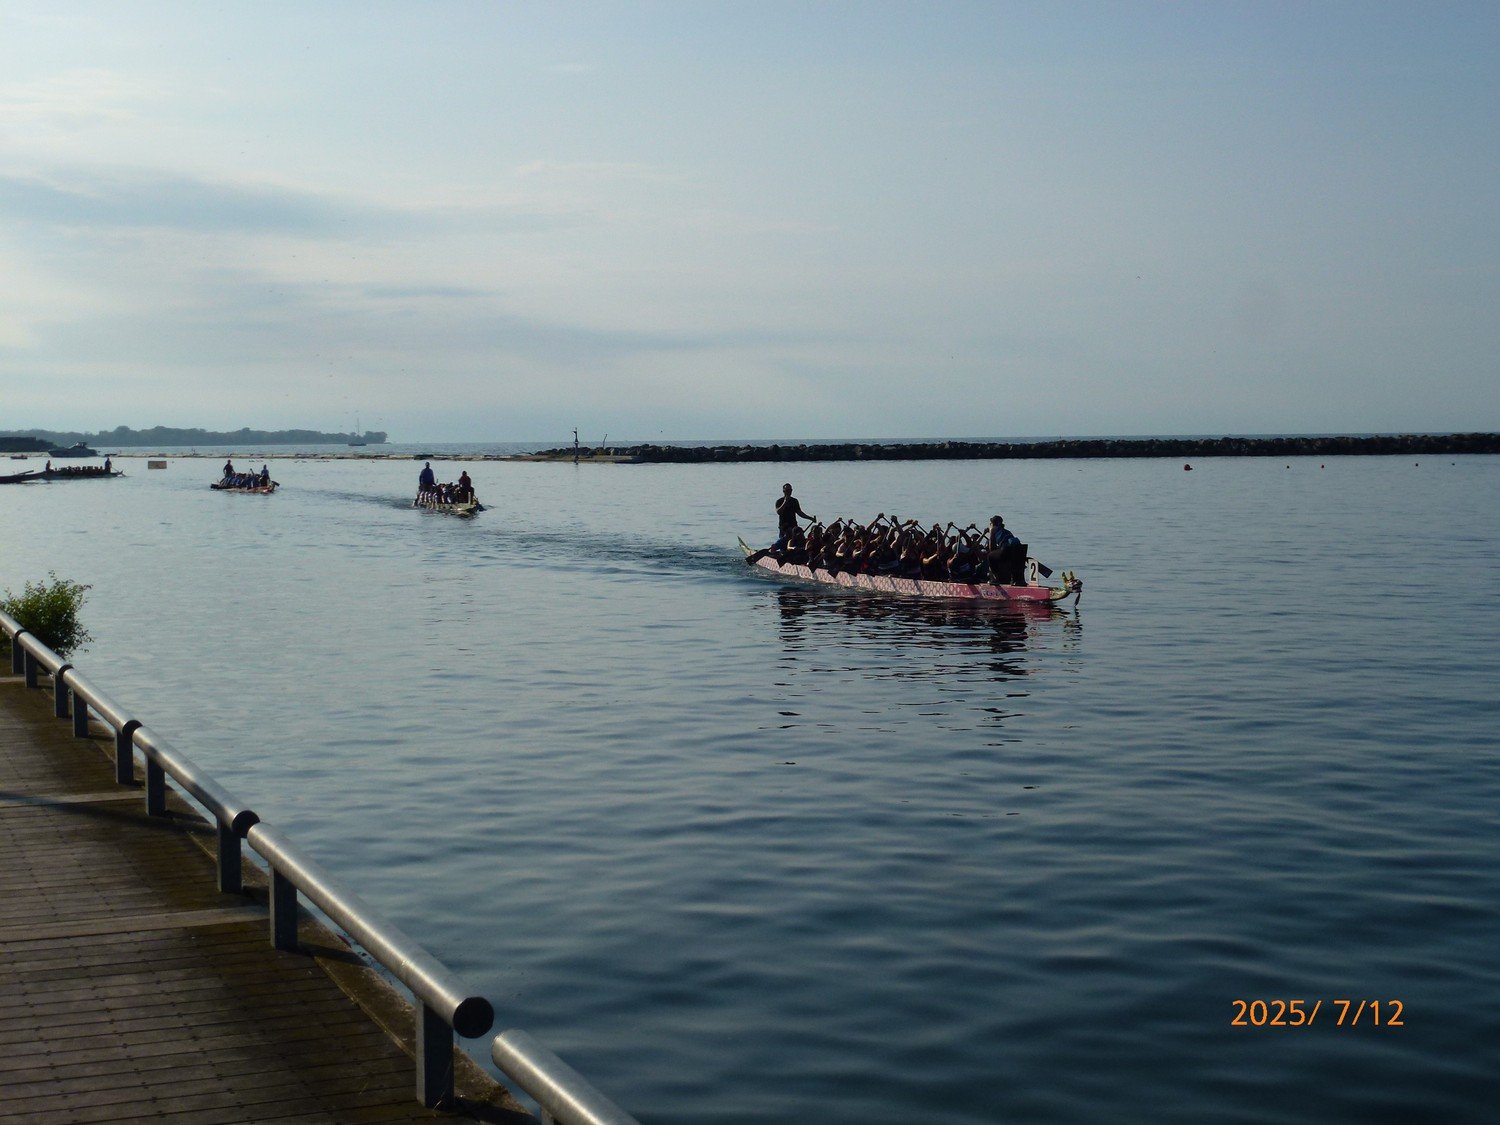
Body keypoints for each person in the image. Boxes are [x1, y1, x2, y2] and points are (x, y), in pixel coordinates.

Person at [986, 515, 1028, 585]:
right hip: (1020, 549)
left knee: (990, 556)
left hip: (1008, 550)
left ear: (993, 524)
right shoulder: (1007, 531)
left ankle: (997, 579)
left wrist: (991, 532)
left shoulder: (994, 530)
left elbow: (992, 549)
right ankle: (1019, 580)